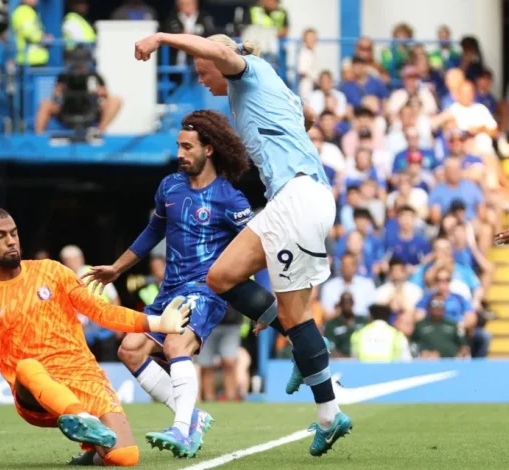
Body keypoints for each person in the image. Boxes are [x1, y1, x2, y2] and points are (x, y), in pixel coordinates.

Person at [133, 31, 351, 455]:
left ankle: (328, 410)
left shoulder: (243, 72)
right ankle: (308, 350)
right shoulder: (268, 82)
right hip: (295, 200)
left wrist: (160, 37)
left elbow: (220, 52)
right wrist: (285, 137)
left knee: (295, 315)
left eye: (202, 69)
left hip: (299, 198)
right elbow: (304, 112)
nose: (201, 78)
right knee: (222, 276)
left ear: (222, 60)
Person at [0, 208, 191, 470]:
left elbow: (100, 311)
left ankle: (93, 446)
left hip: (84, 377)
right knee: (27, 366)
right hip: (35, 394)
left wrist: (156, 322)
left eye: (14, 233)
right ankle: (82, 419)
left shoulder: (52, 271)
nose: (11, 241)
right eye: (0, 235)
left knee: (125, 457)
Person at [84, 111, 253, 457]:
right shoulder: (169, 187)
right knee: (129, 350)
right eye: (178, 146)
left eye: (187, 147)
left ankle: (182, 431)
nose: (179, 153)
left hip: (205, 291)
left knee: (176, 346)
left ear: (209, 149)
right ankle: (191, 416)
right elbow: (153, 232)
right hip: (169, 291)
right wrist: (117, 268)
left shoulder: (230, 199)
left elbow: (255, 250)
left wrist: (262, 306)